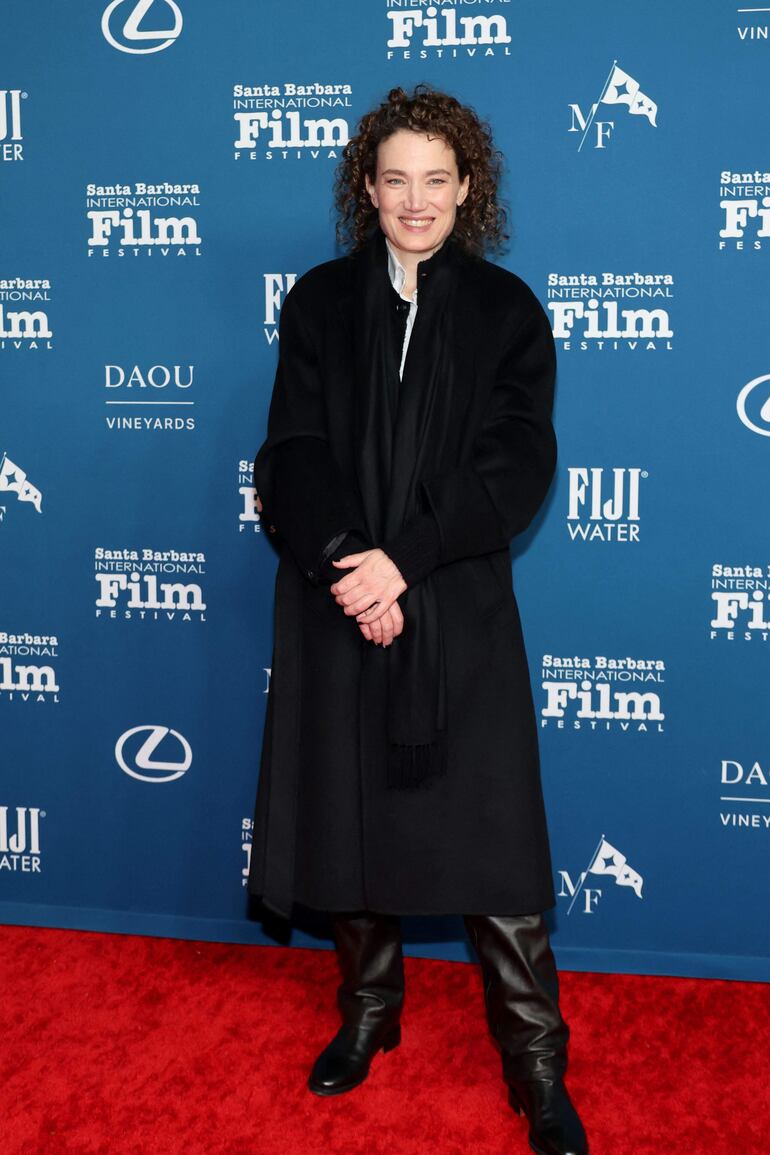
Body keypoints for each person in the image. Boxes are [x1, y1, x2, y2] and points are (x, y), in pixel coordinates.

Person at [248, 83, 588, 1155]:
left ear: (465, 188)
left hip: (455, 605)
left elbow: (517, 462)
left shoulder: (504, 310)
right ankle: (368, 1013)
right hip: (337, 601)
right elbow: (289, 454)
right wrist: (351, 566)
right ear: (365, 186)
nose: (413, 200)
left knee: (492, 842)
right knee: (347, 822)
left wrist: (408, 559)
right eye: (393, 179)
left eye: (434, 181)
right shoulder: (315, 303)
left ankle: (535, 1063)